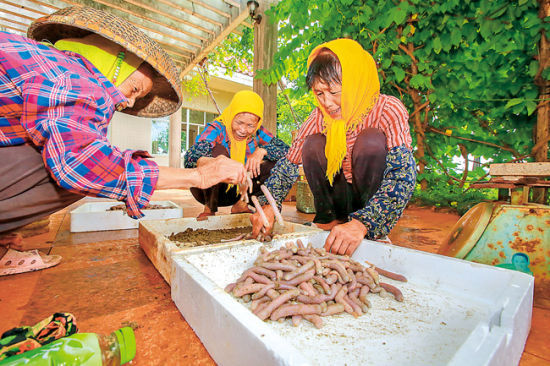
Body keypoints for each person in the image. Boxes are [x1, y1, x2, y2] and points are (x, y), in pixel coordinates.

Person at [0, 6, 248, 274]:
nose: (128, 102)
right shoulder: (72, 77)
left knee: (58, 151)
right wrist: (198, 176)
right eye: (135, 90)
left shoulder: (51, 65)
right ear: (117, 61)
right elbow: (80, 164)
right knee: (84, 168)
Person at [249, 38, 417, 256]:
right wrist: (268, 204)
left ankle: (371, 231)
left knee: (371, 141)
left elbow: (403, 174)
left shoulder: (388, 109)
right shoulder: (319, 117)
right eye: (320, 94)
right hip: (339, 196)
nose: (327, 103)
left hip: (370, 201)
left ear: (355, 83)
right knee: (313, 144)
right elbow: (288, 164)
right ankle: (330, 220)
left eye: (334, 92)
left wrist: (364, 222)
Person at [184, 90, 289, 220]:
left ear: (257, 123)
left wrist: (262, 151)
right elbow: (192, 156)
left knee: (276, 162)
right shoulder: (217, 128)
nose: (243, 130)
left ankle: (241, 205)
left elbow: (287, 151)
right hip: (209, 188)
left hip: (242, 190)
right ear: (232, 115)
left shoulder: (257, 132)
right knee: (218, 151)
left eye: (250, 125)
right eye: (239, 122)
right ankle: (209, 208)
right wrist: (220, 164)